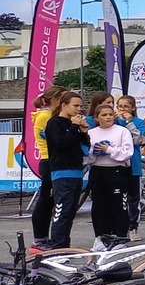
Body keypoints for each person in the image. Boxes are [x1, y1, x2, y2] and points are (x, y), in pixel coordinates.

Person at [43, 91, 90, 250]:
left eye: (81, 106)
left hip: (76, 171)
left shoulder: (73, 125)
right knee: (62, 211)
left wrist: (84, 133)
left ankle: (64, 244)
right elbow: (61, 144)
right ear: (64, 105)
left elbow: (84, 149)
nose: (78, 109)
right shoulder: (55, 123)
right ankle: (56, 246)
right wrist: (74, 126)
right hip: (62, 172)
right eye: (75, 105)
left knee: (70, 212)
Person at [86, 101, 134, 249]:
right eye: (104, 115)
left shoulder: (122, 131)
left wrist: (109, 150)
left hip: (117, 171)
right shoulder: (91, 133)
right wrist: (93, 153)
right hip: (98, 171)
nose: (108, 117)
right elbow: (86, 157)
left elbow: (128, 153)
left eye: (110, 114)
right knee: (99, 206)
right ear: (96, 118)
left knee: (119, 205)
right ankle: (101, 237)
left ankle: (120, 238)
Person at [29, 86, 62, 250]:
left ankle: (43, 238)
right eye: (63, 100)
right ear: (55, 100)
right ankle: (39, 239)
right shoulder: (45, 116)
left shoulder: (52, 116)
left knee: (51, 201)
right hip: (48, 161)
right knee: (46, 200)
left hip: (56, 161)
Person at [115, 95, 145, 236]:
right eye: (120, 106)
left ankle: (133, 227)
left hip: (133, 164)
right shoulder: (114, 120)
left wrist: (129, 122)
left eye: (126, 106)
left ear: (133, 108)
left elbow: (138, 140)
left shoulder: (139, 122)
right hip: (117, 164)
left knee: (133, 198)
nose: (122, 109)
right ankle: (119, 227)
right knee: (118, 198)